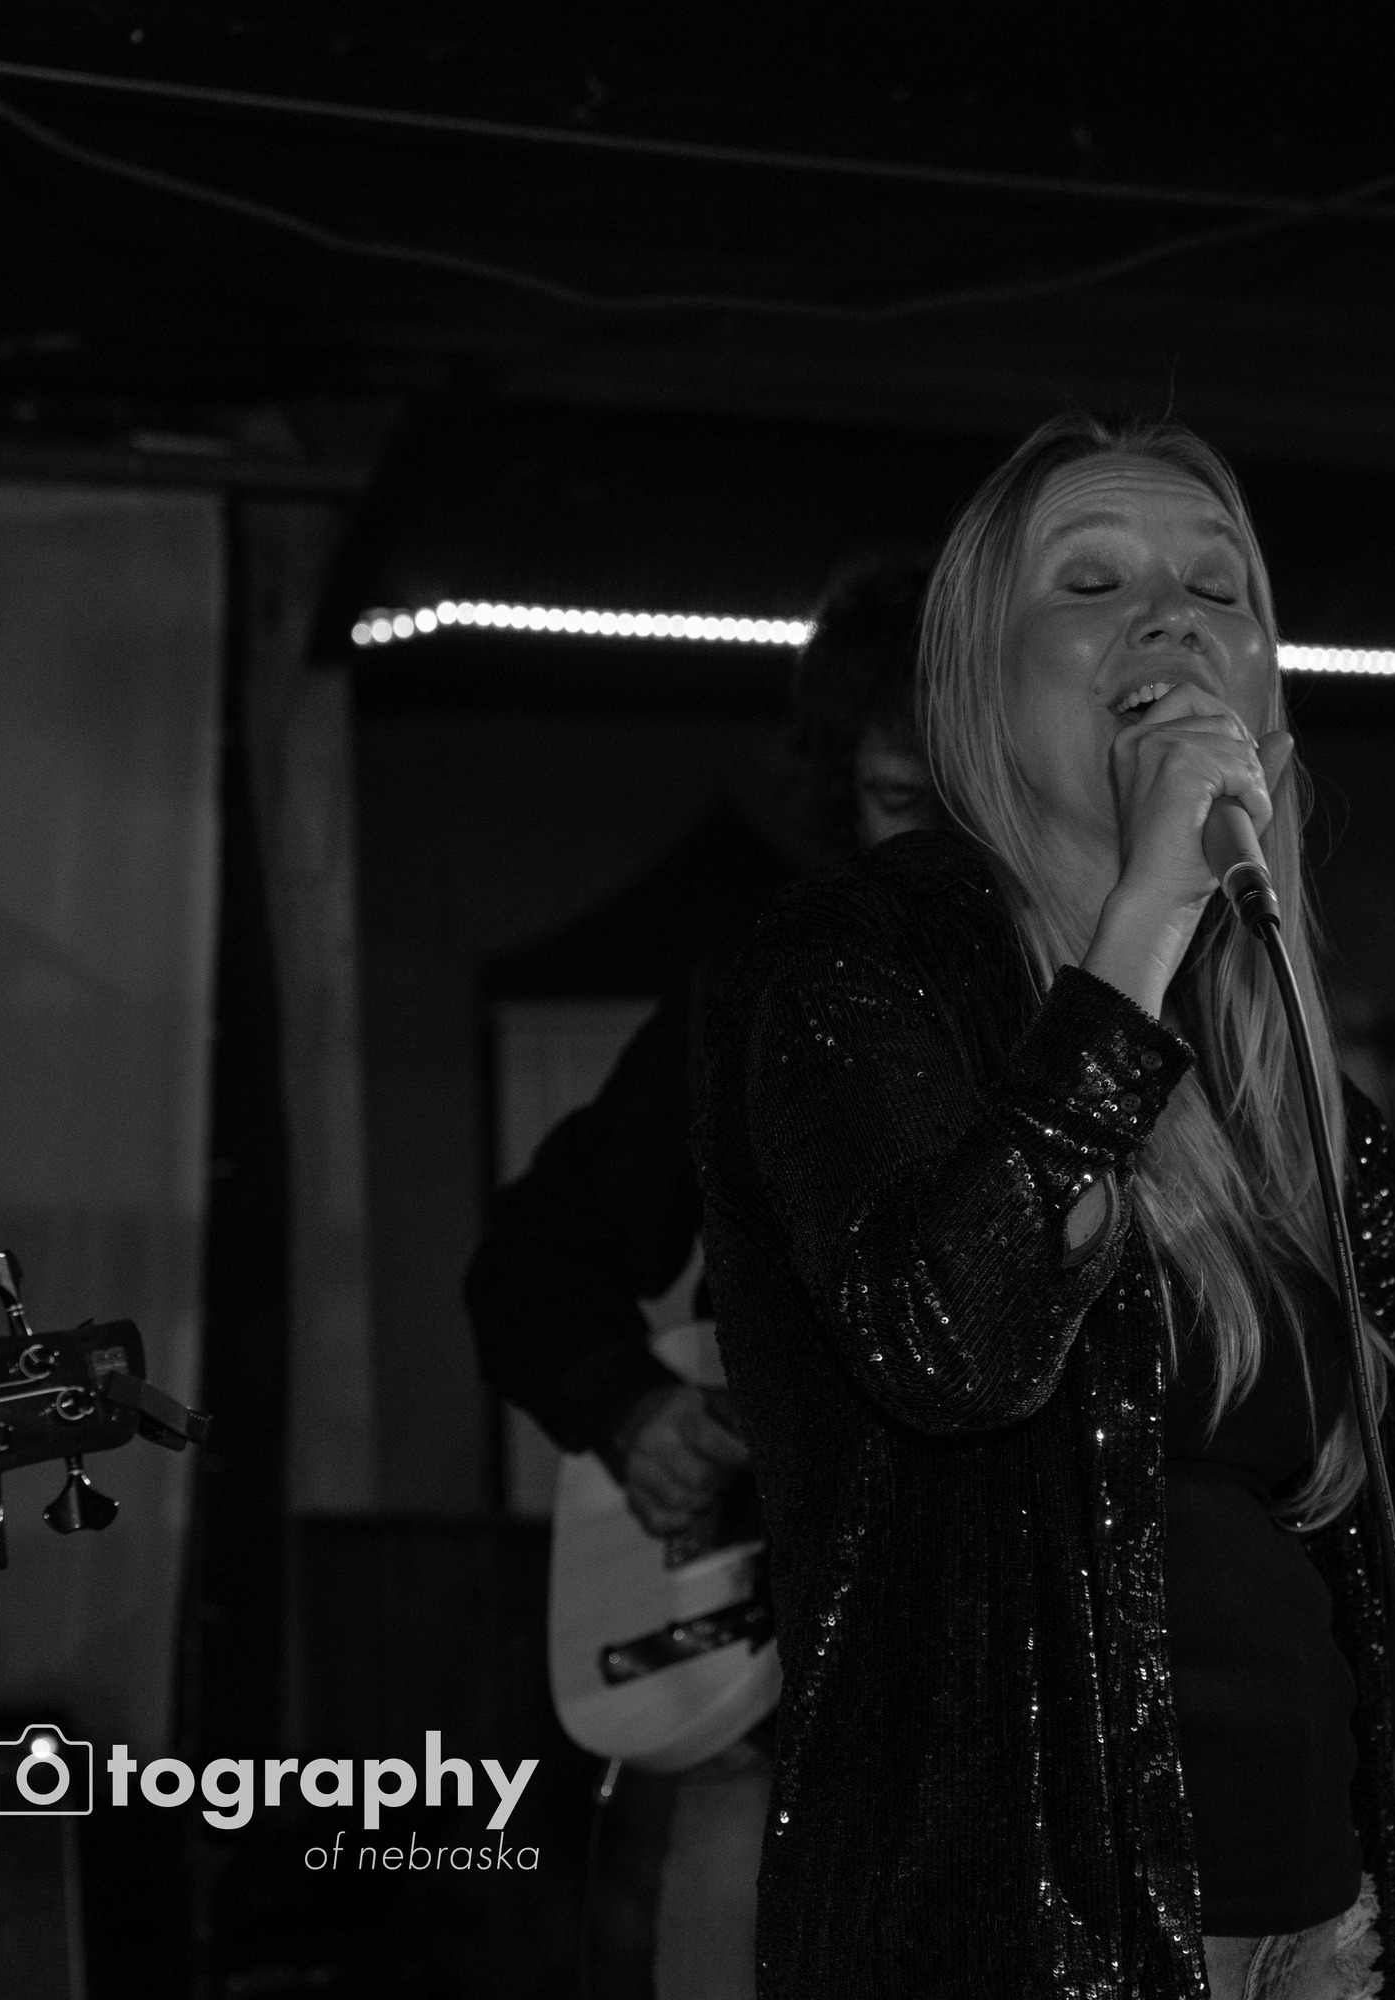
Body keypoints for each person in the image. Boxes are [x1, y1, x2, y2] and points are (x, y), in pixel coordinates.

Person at [696, 413, 1395, 1999]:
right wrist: (1145, 916)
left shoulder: (1245, 1020)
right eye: (1093, 582)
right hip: (1018, 1928)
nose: (1172, 616)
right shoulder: (853, 965)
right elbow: (952, 1339)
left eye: (1220, 588)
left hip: (1311, 1905)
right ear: (974, 679)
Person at [465, 549, 940, 2000]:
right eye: (898, 804)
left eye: (974, 807)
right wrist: (631, 1405)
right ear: (842, 796)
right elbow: (533, 1255)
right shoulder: (759, 992)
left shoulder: (1110, 1011)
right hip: (780, 1709)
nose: (933, 854)